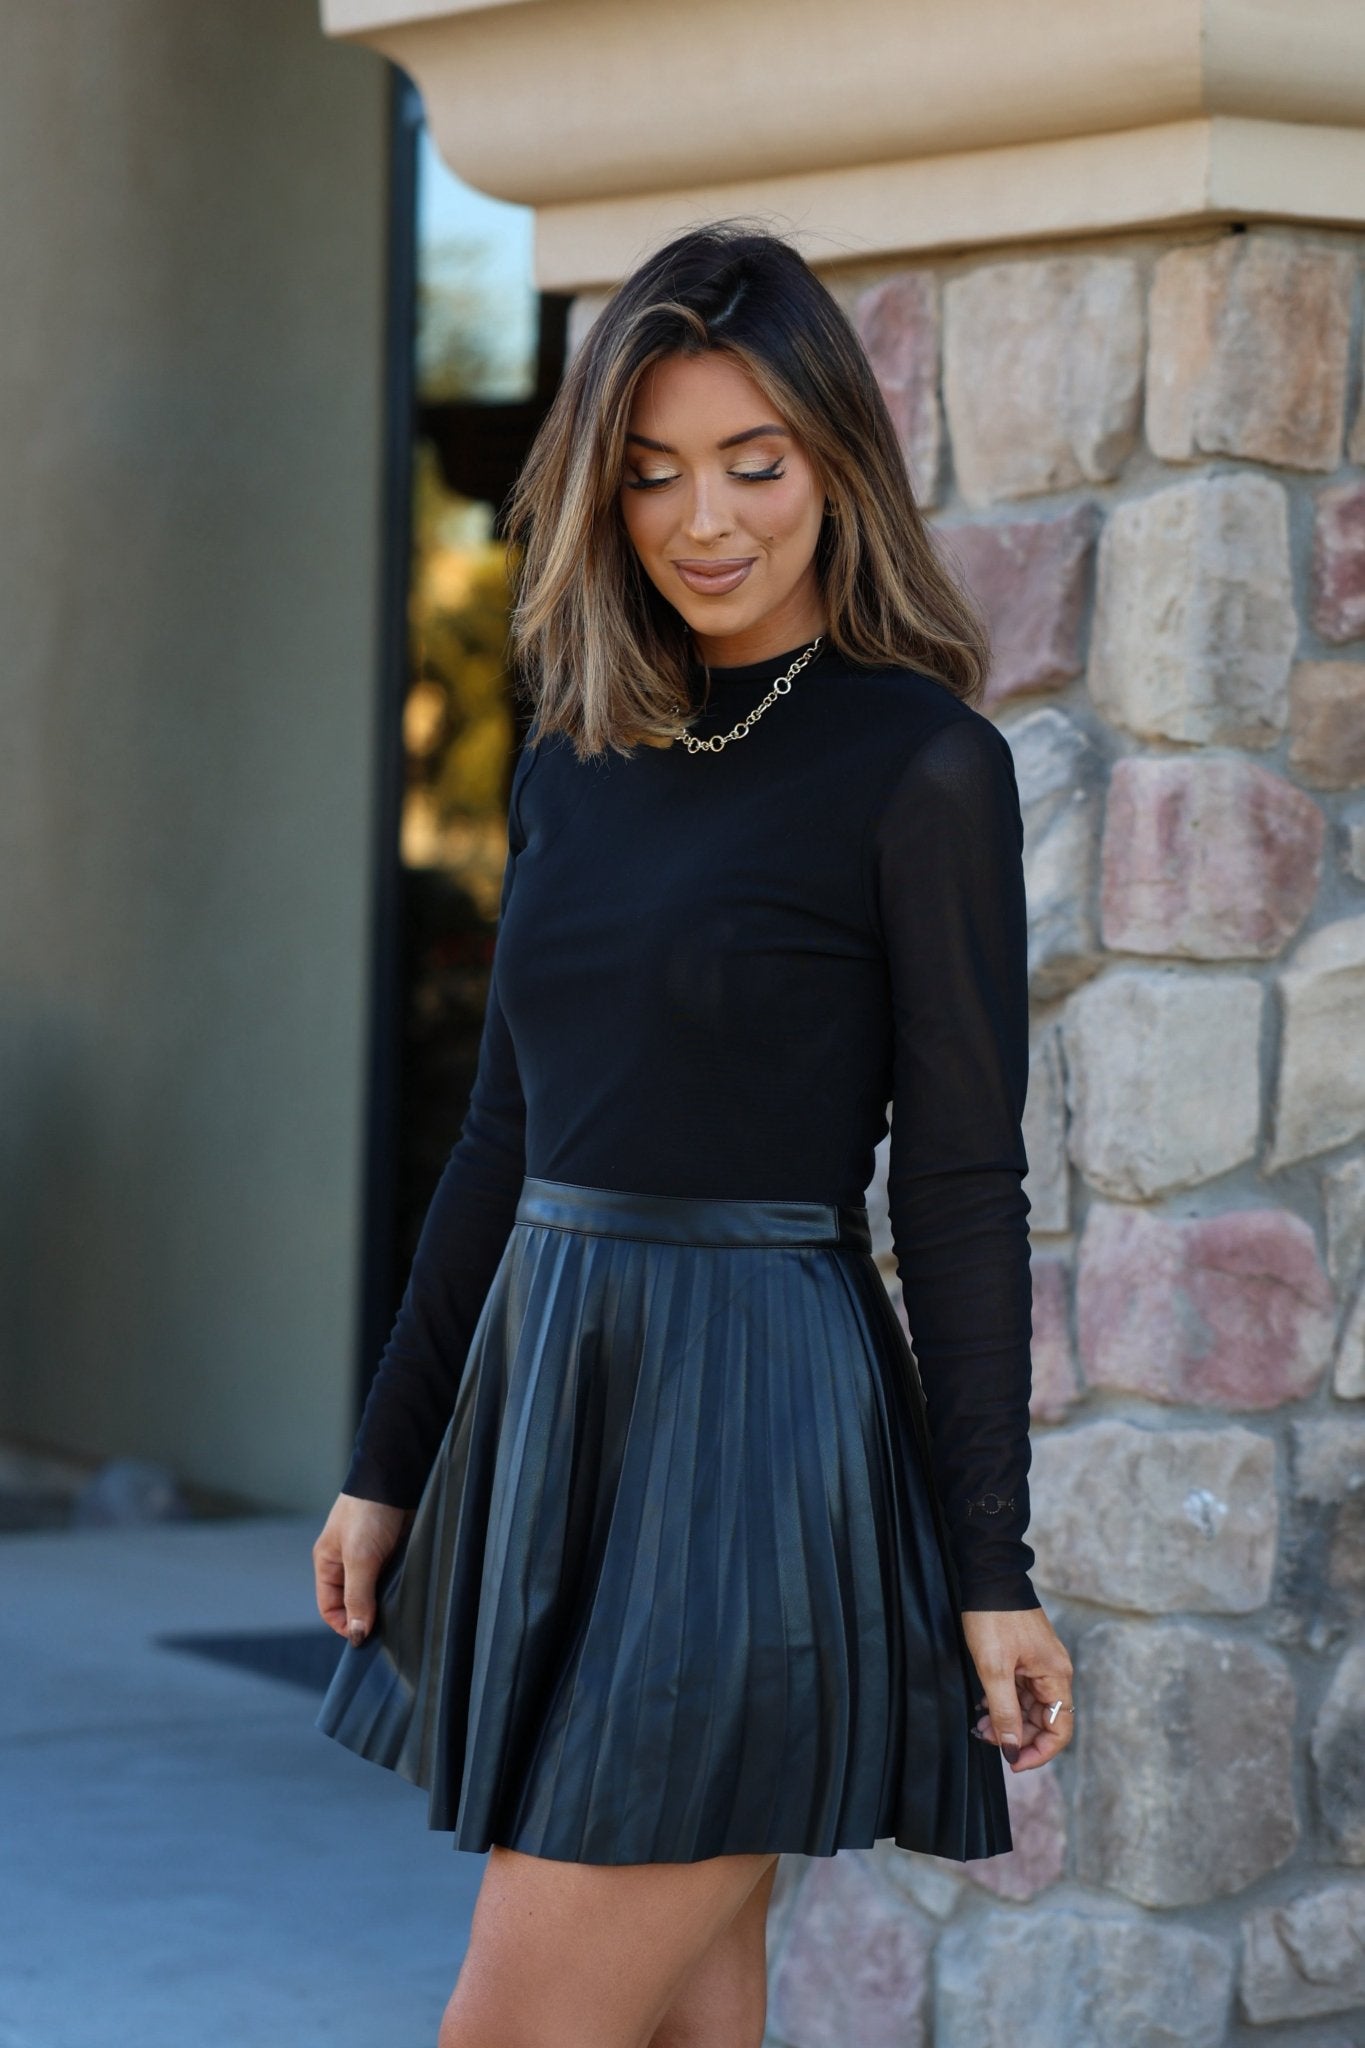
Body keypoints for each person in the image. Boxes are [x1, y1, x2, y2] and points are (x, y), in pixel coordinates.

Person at [311, 220, 1074, 2048]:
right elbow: (504, 1131)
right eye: (650, 471)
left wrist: (990, 1566)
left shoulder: (916, 763)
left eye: (756, 462)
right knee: (683, 2017)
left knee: (517, 2022)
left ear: (834, 467)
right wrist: (390, 1457)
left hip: (762, 1432)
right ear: (597, 490)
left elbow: (961, 1187)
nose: (704, 519)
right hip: (558, 1406)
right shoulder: (580, 748)